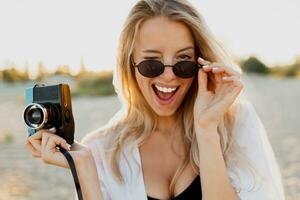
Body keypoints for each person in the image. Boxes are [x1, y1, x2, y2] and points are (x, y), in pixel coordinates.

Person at [25, 0, 285, 199]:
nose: (169, 77)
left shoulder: (237, 122)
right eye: (152, 63)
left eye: (183, 62)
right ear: (131, 64)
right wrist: (86, 172)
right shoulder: (98, 150)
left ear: (200, 63)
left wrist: (206, 130)